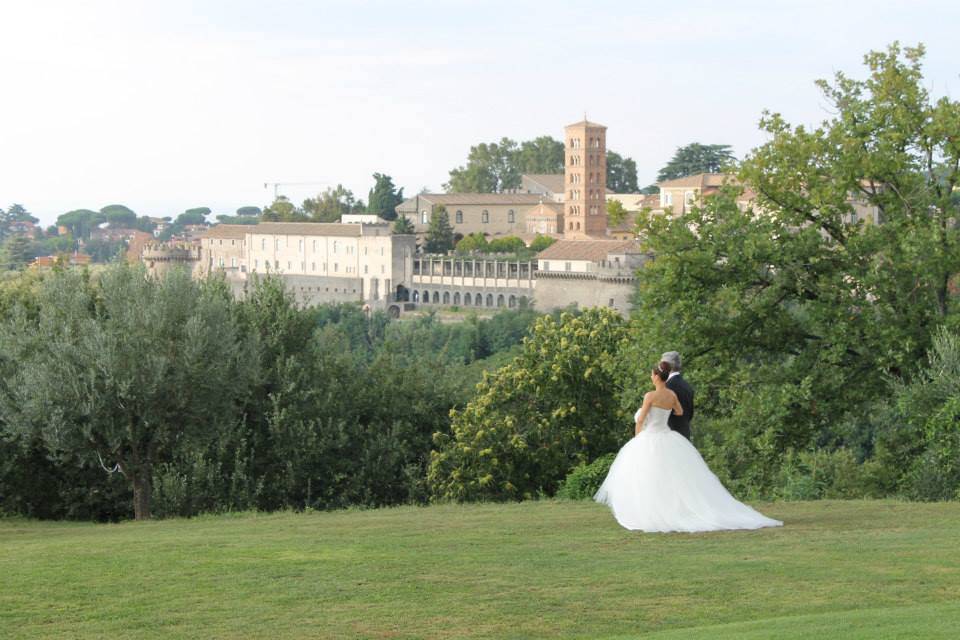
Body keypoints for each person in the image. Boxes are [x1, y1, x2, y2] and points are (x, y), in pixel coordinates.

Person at [593, 360, 782, 533]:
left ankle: (652, 511)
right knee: (674, 476)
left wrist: (638, 436)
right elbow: (679, 411)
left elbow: (641, 419)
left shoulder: (650, 395)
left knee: (648, 476)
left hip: (650, 437)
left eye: (652, 374)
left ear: (656, 376)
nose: (651, 377)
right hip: (667, 436)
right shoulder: (671, 394)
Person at [660, 351, 693, 440]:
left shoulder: (667, 387)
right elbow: (689, 413)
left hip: (670, 435)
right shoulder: (687, 386)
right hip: (685, 434)